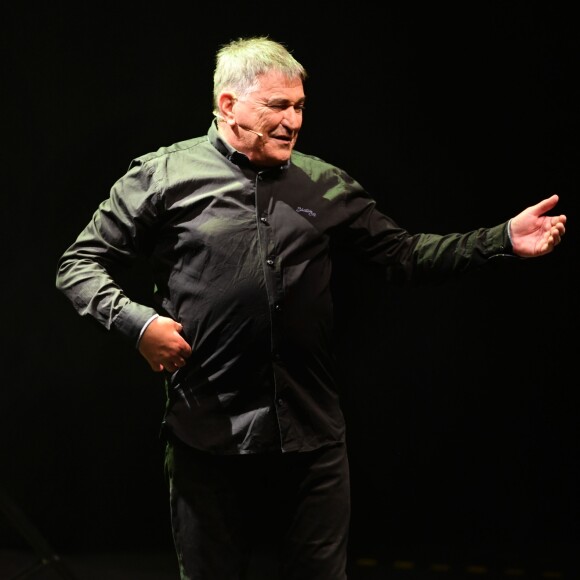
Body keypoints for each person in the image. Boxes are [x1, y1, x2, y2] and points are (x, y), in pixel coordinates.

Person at [55, 36, 566, 580]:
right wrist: (140, 325)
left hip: (311, 436)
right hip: (208, 435)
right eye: (277, 106)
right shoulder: (162, 176)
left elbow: (404, 256)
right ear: (228, 105)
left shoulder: (325, 183)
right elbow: (79, 264)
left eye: (299, 106)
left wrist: (502, 238)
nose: (293, 120)